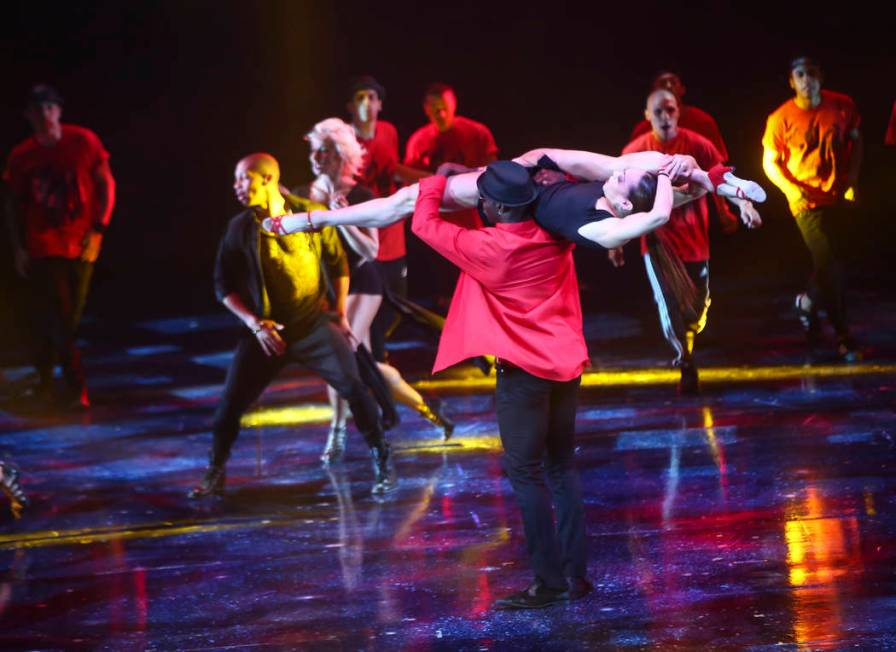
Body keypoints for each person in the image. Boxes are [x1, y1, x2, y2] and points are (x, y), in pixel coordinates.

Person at [411, 161, 591, 609]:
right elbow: (501, 220)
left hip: (525, 375)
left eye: (482, 201)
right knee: (562, 470)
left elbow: (423, 222)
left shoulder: (485, 247)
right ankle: (575, 576)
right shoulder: (555, 231)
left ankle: (548, 585)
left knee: (525, 473)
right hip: (566, 367)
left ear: (493, 208)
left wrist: (436, 180)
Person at [189, 153, 395, 498]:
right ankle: (215, 470)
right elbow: (223, 286)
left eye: (244, 178)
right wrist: (255, 324)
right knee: (229, 405)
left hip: (313, 324)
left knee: (356, 390)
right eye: (237, 180)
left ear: (267, 179)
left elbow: (338, 262)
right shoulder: (240, 228)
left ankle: (382, 460)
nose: (236, 186)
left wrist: (341, 313)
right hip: (266, 332)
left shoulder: (307, 213)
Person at [263, 147, 765, 252]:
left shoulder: (603, 227)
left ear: (628, 203)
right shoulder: (627, 189)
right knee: (656, 159)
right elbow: (664, 189)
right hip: (539, 169)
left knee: (406, 202)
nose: (618, 176)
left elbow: (659, 214)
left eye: (623, 182)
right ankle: (728, 179)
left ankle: (314, 220)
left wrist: (675, 179)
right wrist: (692, 171)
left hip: (514, 197)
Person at [304, 118, 453, 461]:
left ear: (340, 154)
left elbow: (371, 251)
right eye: (313, 150)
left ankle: (337, 433)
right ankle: (428, 409)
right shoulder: (305, 192)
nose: (316, 157)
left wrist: (336, 218)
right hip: (326, 285)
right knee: (365, 362)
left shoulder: (359, 194)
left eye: (323, 150)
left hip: (362, 280)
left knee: (339, 354)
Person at [615, 89, 762, 394]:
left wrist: (745, 205)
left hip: (695, 239)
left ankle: (689, 336)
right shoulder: (635, 151)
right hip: (658, 242)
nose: (665, 117)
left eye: (670, 110)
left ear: (678, 111)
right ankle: (685, 360)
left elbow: (722, 181)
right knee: (667, 303)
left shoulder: (698, 144)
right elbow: (617, 197)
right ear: (647, 116)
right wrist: (615, 242)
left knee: (697, 308)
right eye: (658, 112)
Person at [2, 84, 115, 409]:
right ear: (28, 116)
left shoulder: (82, 141)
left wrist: (98, 231)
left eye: (50, 108)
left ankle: (47, 381)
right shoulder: (22, 155)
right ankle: (73, 388)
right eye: (38, 110)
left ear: (59, 111)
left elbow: (106, 183)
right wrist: (19, 247)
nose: (45, 115)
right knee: (59, 317)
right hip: (43, 246)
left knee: (67, 319)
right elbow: (13, 204)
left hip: (79, 244)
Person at [762, 57, 863, 361]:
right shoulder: (780, 118)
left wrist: (853, 179)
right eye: (800, 75)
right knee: (829, 266)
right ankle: (843, 336)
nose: (807, 80)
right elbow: (770, 162)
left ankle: (807, 302)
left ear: (822, 77)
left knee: (835, 262)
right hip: (806, 202)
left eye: (813, 73)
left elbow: (856, 141)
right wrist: (792, 190)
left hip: (838, 196)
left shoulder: (842, 105)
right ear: (792, 82)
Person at [403, 83, 499, 306]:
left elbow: (492, 173)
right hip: (439, 226)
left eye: (445, 107)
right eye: (435, 109)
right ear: (426, 109)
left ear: (454, 104)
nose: (441, 113)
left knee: (478, 279)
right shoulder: (419, 141)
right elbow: (412, 182)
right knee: (446, 287)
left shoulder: (476, 132)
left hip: (473, 222)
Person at [630, 72, 729, 161]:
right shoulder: (641, 131)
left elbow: (718, 166)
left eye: (673, 82)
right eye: (663, 83)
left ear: (682, 89)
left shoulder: (703, 121)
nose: (668, 86)